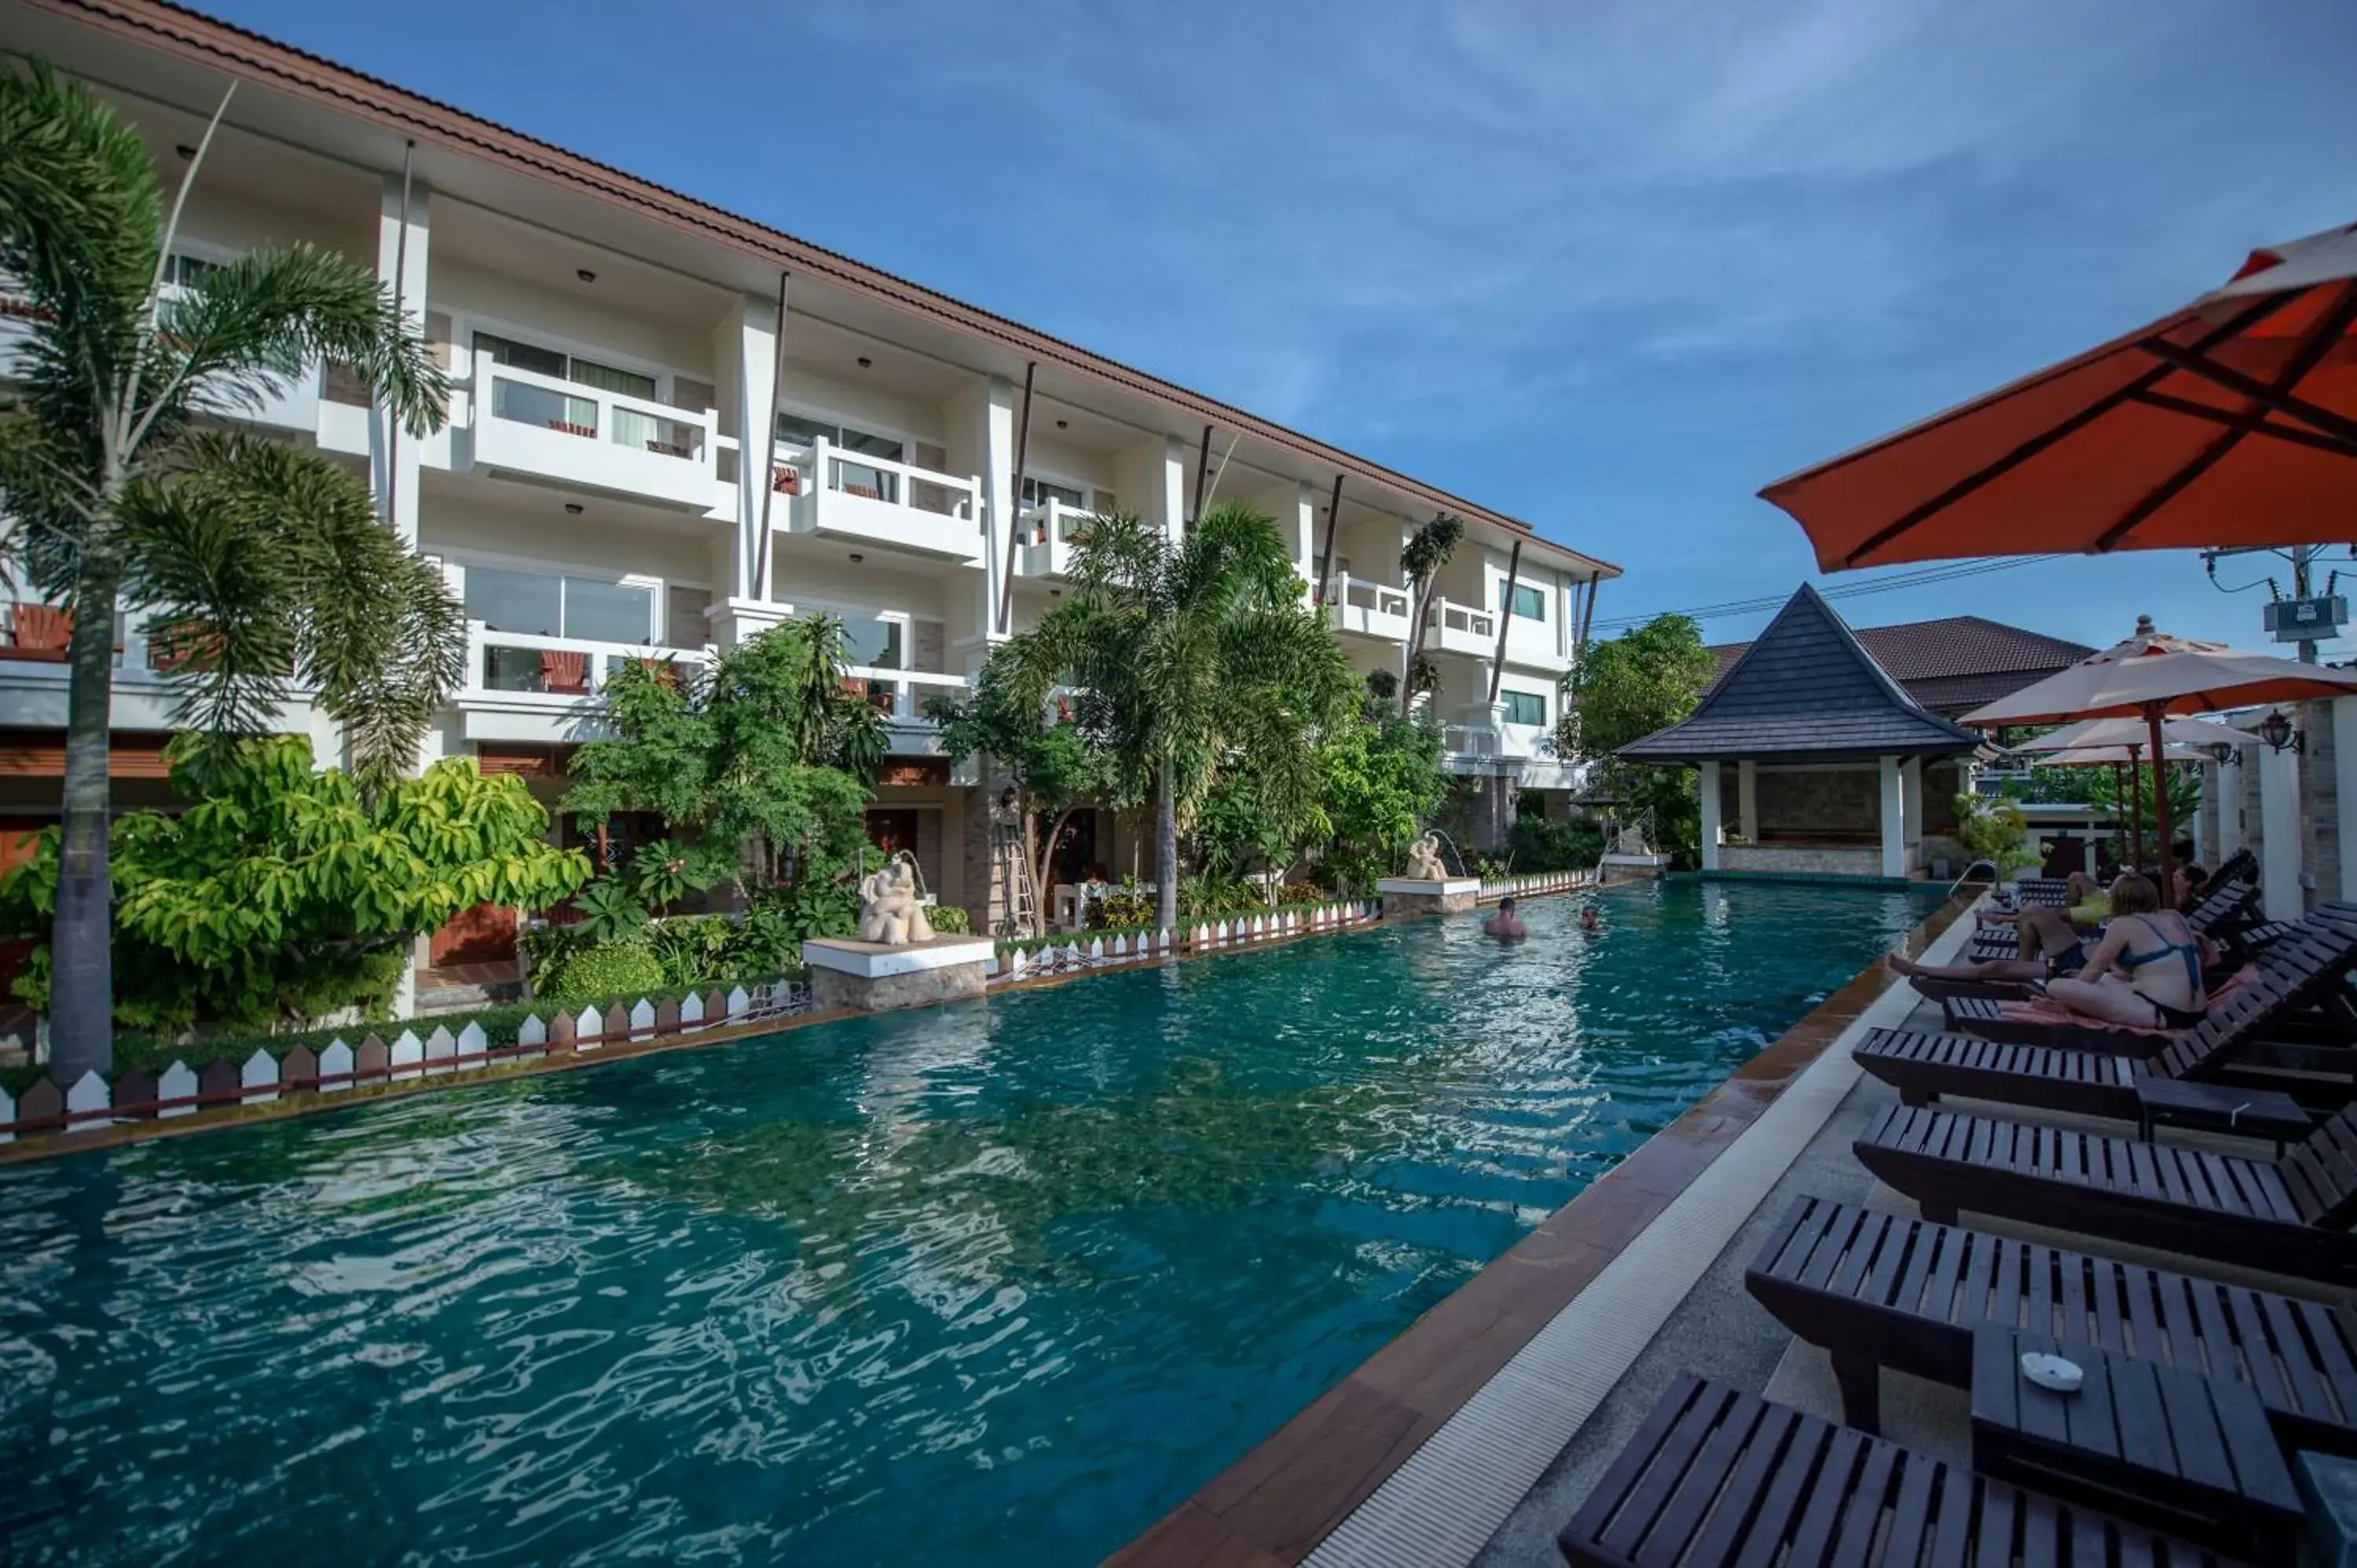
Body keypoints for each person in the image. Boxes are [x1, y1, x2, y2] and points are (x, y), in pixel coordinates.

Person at [2043, 873, 2207, 1028]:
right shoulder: (2175, 916)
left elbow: (2090, 975)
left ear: (2118, 899)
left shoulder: (2123, 924)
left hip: (2163, 1012)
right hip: (2198, 1012)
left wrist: (2069, 998)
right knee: (2108, 979)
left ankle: (2071, 1008)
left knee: (2056, 986)